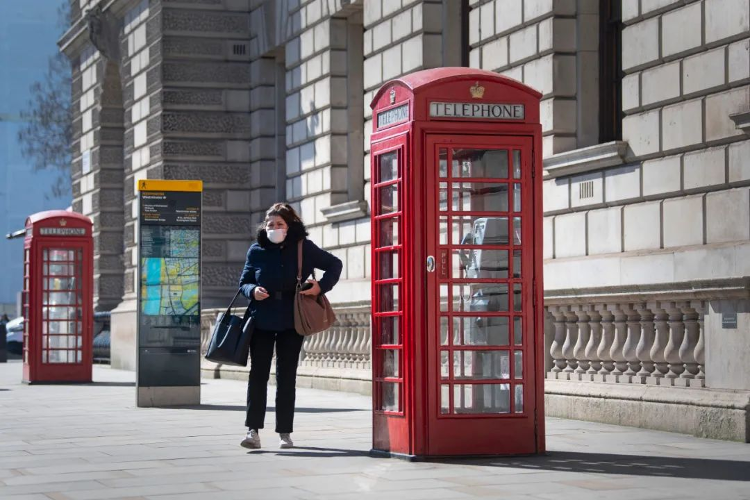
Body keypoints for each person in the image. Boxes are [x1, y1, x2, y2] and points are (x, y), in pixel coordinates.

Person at [238, 203, 342, 449]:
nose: (274, 228)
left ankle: (285, 432)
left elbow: (335, 264)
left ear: (290, 226)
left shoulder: (303, 247)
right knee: (258, 375)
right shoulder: (256, 250)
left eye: (279, 224)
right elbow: (244, 282)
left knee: (286, 377)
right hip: (261, 320)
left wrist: (320, 287)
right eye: (270, 224)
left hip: (292, 321)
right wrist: (253, 290)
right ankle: (253, 431)